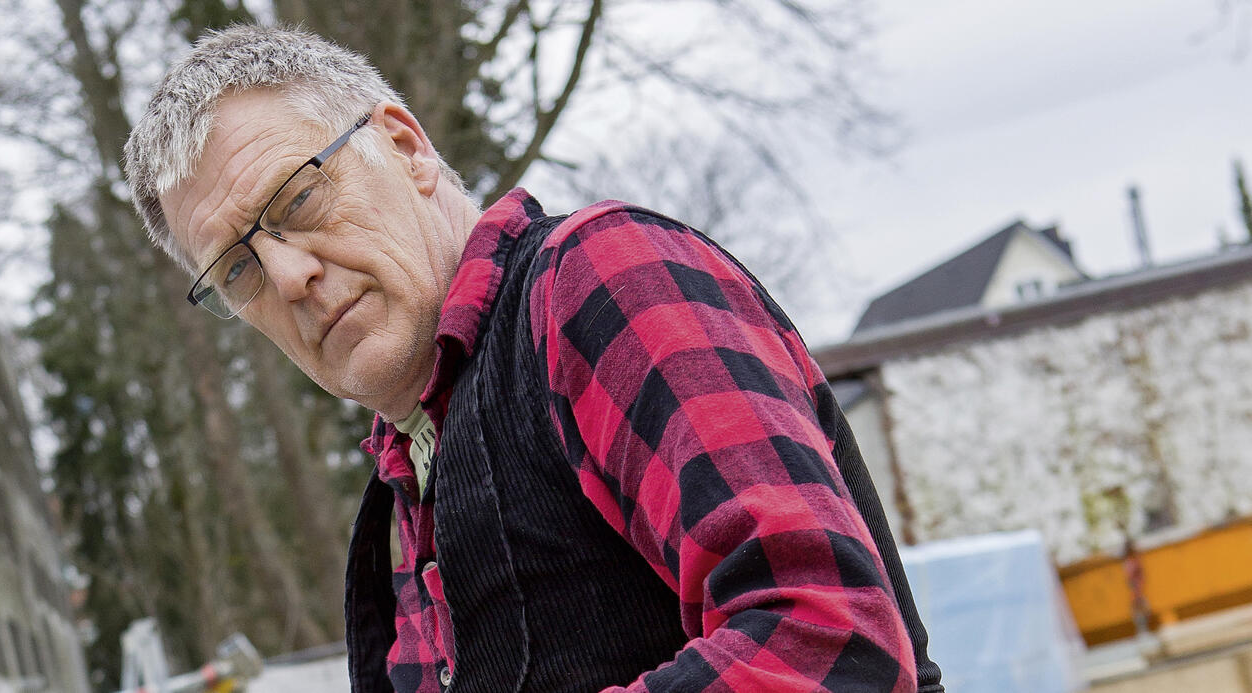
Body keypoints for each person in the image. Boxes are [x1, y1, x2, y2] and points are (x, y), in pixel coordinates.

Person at [124, 24, 942, 693]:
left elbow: (829, 639)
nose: (287, 277)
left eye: (298, 198)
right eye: (238, 269)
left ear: (406, 147)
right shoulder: (404, 482)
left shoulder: (597, 278)